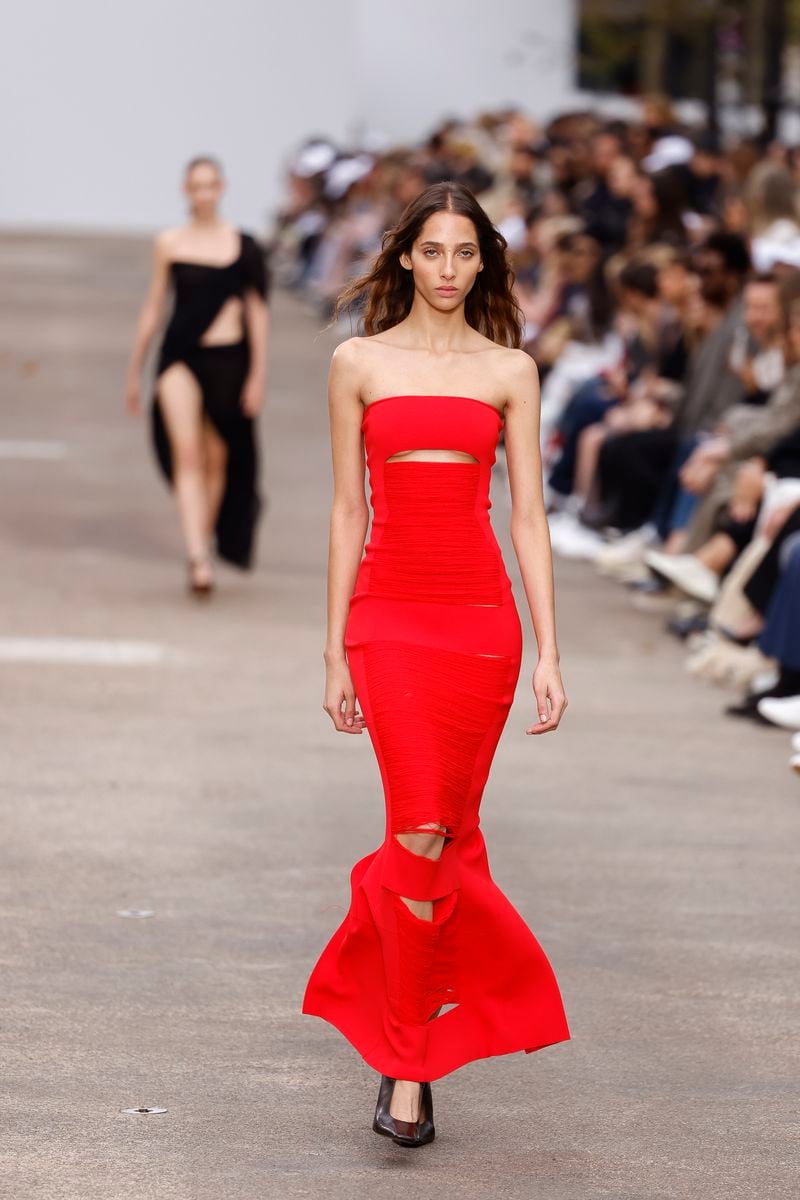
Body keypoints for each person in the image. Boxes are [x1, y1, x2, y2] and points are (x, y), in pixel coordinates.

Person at [302, 181, 570, 1147]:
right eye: (433, 252)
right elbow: (346, 512)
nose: (449, 270)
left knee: (435, 839)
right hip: (390, 620)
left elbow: (530, 519)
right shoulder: (357, 362)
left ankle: (398, 1033)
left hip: (479, 627)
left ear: (484, 262)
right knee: (418, 833)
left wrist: (547, 650)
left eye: (466, 254)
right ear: (406, 258)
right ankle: (409, 1065)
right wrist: (333, 651)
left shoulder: (512, 371)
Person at [124, 155, 270, 595]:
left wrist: (258, 376)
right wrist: (135, 369)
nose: (203, 193)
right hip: (179, 357)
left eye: (210, 185)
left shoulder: (245, 246)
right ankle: (198, 557)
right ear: (186, 190)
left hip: (230, 358)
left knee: (217, 457)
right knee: (187, 454)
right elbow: (154, 306)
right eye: (196, 186)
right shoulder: (169, 242)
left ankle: (202, 539)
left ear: (221, 188)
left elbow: (257, 313)